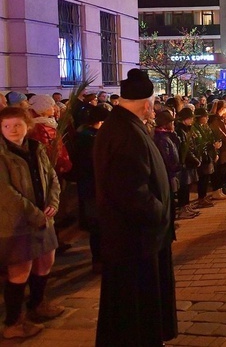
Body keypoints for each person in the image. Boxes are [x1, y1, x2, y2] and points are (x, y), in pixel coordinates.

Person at [93, 69, 177, 346]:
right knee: (134, 305)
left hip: (139, 237)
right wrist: (159, 213)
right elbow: (131, 191)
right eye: (154, 105)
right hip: (134, 239)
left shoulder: (126, 125)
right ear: (147, 104)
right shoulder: (124, 132)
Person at [0, 107, 63, 339]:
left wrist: (53, 202)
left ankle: (38, 305)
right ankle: (13, 323)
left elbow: (51, 177)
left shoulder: (36, 148)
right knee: (20, 270)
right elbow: (5, 193)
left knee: (46, 260)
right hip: (16, 223)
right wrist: (37, 215)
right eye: (6, 126)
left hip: (44, 218)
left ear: (28, 125)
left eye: (17, 125)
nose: (12, 130)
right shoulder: (2, 154)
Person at [71, 105, 110, 274]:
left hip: (92, 186)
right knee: (97, 225)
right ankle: (99, 260)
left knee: (99, 224)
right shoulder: (89, 139)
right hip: (93, 186)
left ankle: (101, 258)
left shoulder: (86, 136)